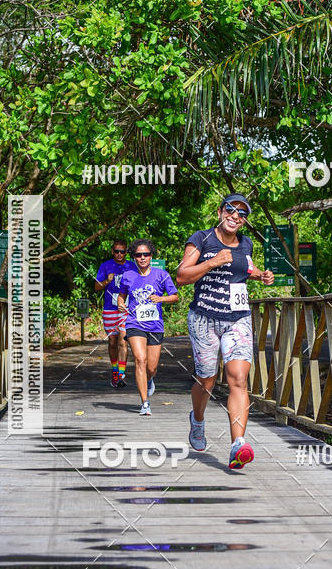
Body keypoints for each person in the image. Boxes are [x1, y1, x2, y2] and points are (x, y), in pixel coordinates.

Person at [176, 194, 274, 469]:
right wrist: (211, 262)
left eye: (242, 213)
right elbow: (181, 277)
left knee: (238, 380)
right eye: (231, 209)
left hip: (238, 319)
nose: (235, 216)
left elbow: (245, 268)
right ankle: (197, 420)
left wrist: (261, 275)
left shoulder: (246, 243)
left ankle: (237, 444)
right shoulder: (202, 239)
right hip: (203, 318)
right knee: (207, 381)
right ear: (220, 211)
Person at [117, 239, 178, 416]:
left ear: (151, 256)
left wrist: (161, 299)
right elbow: (122, 296)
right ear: (134, 257)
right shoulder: (128, 276)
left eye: (146, 254)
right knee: (140, 360)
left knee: (151, 367)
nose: (142, 258)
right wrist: (121, 304)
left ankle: (149, 379)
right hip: (134, 323)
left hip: (155, 325)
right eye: (138, 255)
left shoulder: (162, 275)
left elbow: (174, 296)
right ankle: (145, 403)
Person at [94, 240, 137, 387]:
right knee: (112, 342)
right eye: (117, 251)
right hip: (109, 309)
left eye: (122, 251)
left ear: (126, 252)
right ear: (112, 251)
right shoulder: (105, 266)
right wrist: (107, 280)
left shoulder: (132, 266)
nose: (119, 254)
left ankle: (121, 374)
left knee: (122, 340)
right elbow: (96, 287)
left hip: (125, 309)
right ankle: (114, 371)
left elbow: (138, 284)